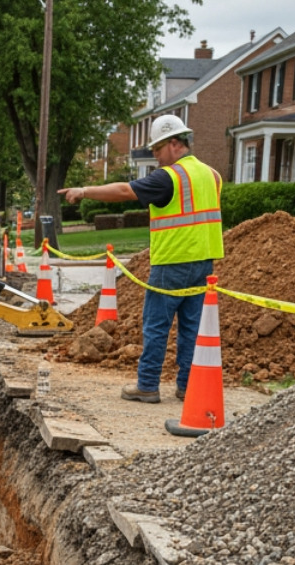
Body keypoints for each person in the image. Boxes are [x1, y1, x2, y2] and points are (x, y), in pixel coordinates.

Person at [59, 114, 223, 404]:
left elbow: (125, 190)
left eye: (157, 150)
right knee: (192, 327)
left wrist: (84, 191)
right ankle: (187, 386)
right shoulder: (212, 175)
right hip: (205, 264)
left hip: (172, 262)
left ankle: (147, 384)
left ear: (174, 144)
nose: (155, 157)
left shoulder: (169, 177)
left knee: (156, 325)